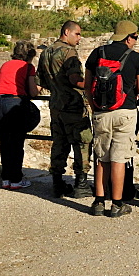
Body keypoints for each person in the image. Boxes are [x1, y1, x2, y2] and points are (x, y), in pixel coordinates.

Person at [84, 20, 139, 218]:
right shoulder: (136, 58)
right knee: (119, 158)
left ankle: (99, 202)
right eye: (135, 37)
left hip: (101, 112)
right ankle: (117, 204)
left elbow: (87, 85)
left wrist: (94, 106)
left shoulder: (97, 53)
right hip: (125, 112)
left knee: (101, 157)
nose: (135, 41)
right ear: (128, 37)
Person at [37, 20, 93, 198]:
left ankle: (57, 182)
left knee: (59, 144)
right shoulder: (69, 52)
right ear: (67, 32)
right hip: (73, 105)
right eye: (77, 34)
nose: (79, 38)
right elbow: (74, 79)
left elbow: (41, 82)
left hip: (56, 105)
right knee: (82, 142)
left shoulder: (46, 52)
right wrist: (93, 85)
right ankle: (81, 183)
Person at [0, 40, 40, 190]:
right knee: (17, 142)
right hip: (13, 102)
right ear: (30, 55)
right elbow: (32, 91)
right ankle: (16, 179)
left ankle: (6, 178)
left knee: (5, 142)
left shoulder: (5, 65)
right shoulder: (28, 67)